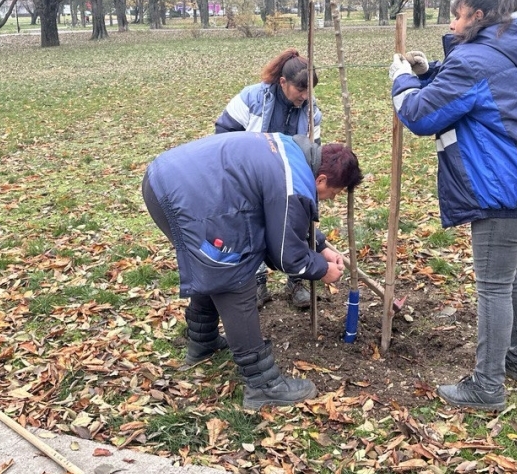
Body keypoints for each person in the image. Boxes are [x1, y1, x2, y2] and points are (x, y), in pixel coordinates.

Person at [388, 0, 517, 411]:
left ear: (478, 17)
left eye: (458, 15)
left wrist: (402, 82)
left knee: (493, 287)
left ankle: (487, 387)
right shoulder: (500, 51)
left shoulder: (474, 60)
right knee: (510, 278)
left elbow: (421, 115)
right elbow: (457, 88)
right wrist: (428, 72)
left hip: (507, 191)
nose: (451, 23)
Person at [142, 131, 362, 409]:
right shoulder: (294, 183)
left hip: (166, 179)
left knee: (213, 265)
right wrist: (321, 270)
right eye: (334, 194)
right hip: (185, 197)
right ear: (322, 180)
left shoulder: (291, 152)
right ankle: (262, 385)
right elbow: (286, 256)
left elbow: (279, 219)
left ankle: (203, 341)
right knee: (234, 276)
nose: (329, 200)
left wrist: (319, 246)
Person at [215, 49, 323, 309]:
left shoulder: (311, 112)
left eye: (310, 90)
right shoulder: (252, 98)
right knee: (252, 225)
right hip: (251, 177)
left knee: (297, 222)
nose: (306, 96)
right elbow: (223, 131)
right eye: (301, 89)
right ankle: (257, 280)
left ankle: (296, 280)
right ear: (283, 83)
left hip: (290, 178)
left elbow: (314, 151)